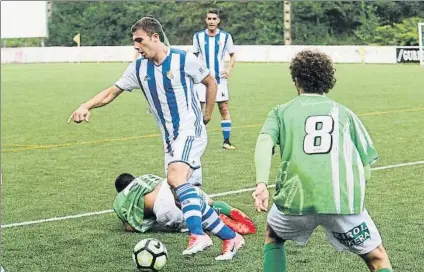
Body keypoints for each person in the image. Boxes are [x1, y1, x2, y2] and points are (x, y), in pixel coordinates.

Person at [68, 17, 244, 257]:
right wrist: (85, 105)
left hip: (190, 130)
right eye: (134, 41)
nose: (136, 46)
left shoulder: (183, 59)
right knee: (181, 197)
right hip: (170, 138)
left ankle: (198, 235)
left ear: (154, 37)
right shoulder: (138, 68)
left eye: (139, 40)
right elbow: (111, 92)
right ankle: (231, 237)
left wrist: (206, 115)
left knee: (175, 177)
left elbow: (210, 82)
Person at [252, 50, 393, 272]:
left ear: (296, 80)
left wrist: (261, 183)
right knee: (377, 259)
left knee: (273, 236)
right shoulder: (345, 114)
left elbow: (264, 142)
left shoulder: (280, 112)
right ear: (327, 81)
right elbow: (366, 170)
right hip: (341, 201)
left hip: (295, 199)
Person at [113, 173, 256, 236]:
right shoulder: (144, 177)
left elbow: (130, 227)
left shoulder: (120, 199)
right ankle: (226, 210)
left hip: (161, 205)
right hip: (174, 186)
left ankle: (219, 219)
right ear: (134, 178)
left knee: (197, 220)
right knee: (207, 203)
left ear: (120, 190)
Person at [192, 9, 237, 150]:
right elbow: (193, 56)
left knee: (223, 108)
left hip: (219, 80)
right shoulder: (198, 37)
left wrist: (228, 69)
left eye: (214, 19)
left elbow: (233, 55)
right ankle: (195, 139)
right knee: (198, 109)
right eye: (209, 19)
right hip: (202, 80)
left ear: (218, 21)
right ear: (206, 21)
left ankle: (226, 141)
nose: (211, 21)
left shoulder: (225, 37)